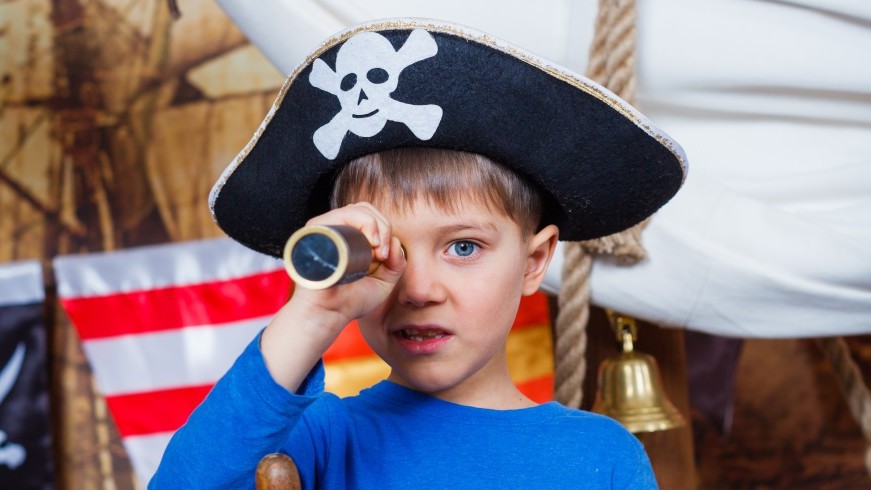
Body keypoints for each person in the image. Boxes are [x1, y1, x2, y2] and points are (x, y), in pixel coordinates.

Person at [150, 18, 686, 489]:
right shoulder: (320, 442)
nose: (420, 290)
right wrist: (313, 312)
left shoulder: (601, 459)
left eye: (462, 246)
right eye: (389, 253)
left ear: (533, 261)